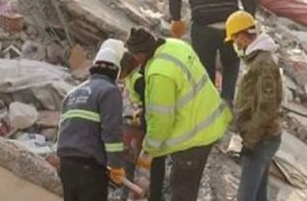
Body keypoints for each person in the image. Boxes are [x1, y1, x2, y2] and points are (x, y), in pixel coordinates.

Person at [126, 27, 231, 201]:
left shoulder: (159, 73)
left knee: (182, 191)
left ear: (140, 55)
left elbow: (161, 122)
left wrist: (148, 149)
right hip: (210, 123)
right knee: (189, 186)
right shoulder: (175, 45)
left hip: (193, 137)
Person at [57, 39, 126, 201]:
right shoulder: (109, 92)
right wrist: (116, 166)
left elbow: (63, 130)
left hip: (66, 165)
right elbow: (112, 135)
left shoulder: (73, 93)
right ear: (116, 71)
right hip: (89, 168)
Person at [225, 11, 282, 201]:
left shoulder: (263, 63)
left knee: (246, 195)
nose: (235, 44)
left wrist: (250, 141)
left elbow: (266, 109)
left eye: (234, 40)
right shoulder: (257, 59)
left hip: (261, 139)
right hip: (262, 136)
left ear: (242, 36)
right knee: (258, 194)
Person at [121, 56, 166, 201]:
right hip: (138, 123)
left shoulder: (137, 79)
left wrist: (142, 114)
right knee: (135, 164)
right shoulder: (132, 78)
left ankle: (147, 194)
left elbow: (149, 101)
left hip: (145, 126)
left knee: (145, 164)